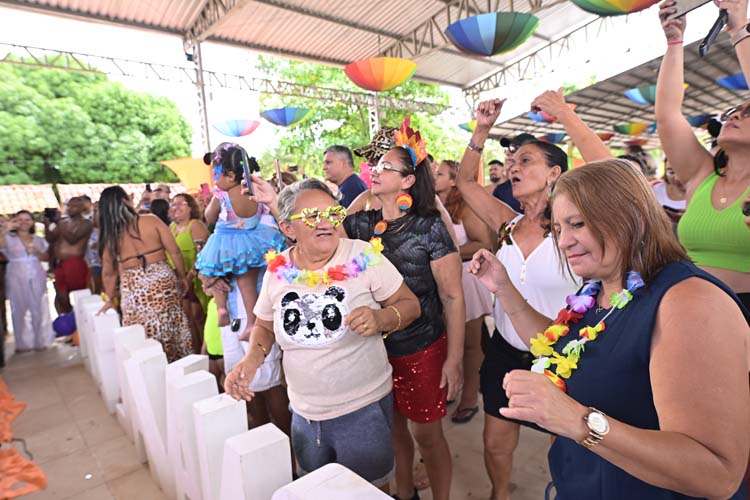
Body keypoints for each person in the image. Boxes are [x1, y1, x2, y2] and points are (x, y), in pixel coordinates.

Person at [469, 159, 750, 500]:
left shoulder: (689, 302)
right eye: (557, 229)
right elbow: (563, 348)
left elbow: (717, 474)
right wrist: (504, 288)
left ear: (631, 216)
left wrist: (578, 421)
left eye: (577, 224)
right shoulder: (600, 288)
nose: (563, 242)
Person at [225, 178, 420, 491]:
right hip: (304, 412)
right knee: (317, 490)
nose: (326, 223)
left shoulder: (362, 256)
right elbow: (263, 324)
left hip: (363, 408)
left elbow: (410, 305)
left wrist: (382, 318)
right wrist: (251, 361)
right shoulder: (278, 270)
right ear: (288, 228)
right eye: (313, 216)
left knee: (367, 492)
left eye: (332, 213)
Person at [457, 99, 580, 500]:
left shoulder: (575, 230)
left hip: (562, 357)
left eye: (526, 160)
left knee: (562, 446)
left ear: (554, 173)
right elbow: (466, 184)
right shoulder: (506, 225)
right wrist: (481, 129)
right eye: (511, 161)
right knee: (495, 441)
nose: (513, 167)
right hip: (506, 351)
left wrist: (566, 115)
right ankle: (500, 494)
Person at [344, 119, 464, 500]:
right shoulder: (361, 224)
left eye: (386, 166)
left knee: (427, 435)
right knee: (393, 429)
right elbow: (323, 230)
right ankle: (405, 493)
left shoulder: (429, 227)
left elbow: (452, 297)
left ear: (409, 180)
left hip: (421, 348)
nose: (374, 170)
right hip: (374, 348)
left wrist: (454, 359)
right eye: (373, 166)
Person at [656, 0, 750, 311]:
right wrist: (674, 43)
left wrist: (738, 29)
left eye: (748, 113)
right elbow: (668, 115)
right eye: (733, 112)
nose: (734, 116)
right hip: (688, 309)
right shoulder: (702, 175)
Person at [196, 143, 287, 341]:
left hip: (225, 243)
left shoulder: (221, 194)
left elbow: (209, 217)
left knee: (212, 272)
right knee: (247, 283)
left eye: (216, 174)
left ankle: (221, 308)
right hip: (254, 240)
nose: (214, 179)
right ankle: (252, 323)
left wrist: (210, 203)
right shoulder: (256, 190)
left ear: (230, 175)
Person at [97, 186, 192, 362]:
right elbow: (175, 252)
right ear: (125, 201)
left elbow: (109, 273)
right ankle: (179, 366)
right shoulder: (150, 220)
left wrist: (110, 299)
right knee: (171, 326)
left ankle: (151, 371)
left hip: (133, 285)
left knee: (142, 334)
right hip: (161, 278)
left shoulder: (111, 235)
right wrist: (181, 277)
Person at [434, 159, 493, 424]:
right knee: (447, 342)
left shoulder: (465, 208)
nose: (434, 177)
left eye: (440, 174)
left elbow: (484, 243)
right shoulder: (430, 206)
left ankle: (470, 397)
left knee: (469, 344)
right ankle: (451, 387)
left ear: (453, 179)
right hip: (441, 282)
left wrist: (447, 253)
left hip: (466, 279)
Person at [0, 211, 53, 352]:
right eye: (20, 219)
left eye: (27, 219)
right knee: (18, 307)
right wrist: (5, 229)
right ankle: (22, 343)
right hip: (16, 274)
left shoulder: (38, 239)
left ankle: (40, 340)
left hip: (36, 273)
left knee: (38, 306)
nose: (24, 222)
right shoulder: (8, 238)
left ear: (32, 222)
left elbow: (47, 257)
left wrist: (37, 252)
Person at [169, 193, 211, 353]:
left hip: (196, 277)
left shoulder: (195, 225)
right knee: (188, 318)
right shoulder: (171, 228)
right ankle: (196, 351)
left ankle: (207, 351)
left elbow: (202, 253)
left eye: (181, 203)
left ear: (190, 207)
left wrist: (189, 276)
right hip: (179, 279)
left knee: (199, 316)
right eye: (174, 204)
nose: (176, 207)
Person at [48, 196, 93, 313]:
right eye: (69, 205)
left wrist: (59, 223)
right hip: (60, 263)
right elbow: (51, 238)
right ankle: (68, 317)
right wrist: (48, 223)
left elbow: (72, 238)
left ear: (81, 208)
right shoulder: (63, 222)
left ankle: (78, 318)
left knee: (78, 295)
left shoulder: (86, 223)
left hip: (75, 263)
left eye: (74, 206)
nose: (70, 208)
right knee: (61, 296)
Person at [653, 160, 686, 225]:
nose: (676, 178)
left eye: (682, 171)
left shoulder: (702, 192)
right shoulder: (656, 189)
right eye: (671, 172)